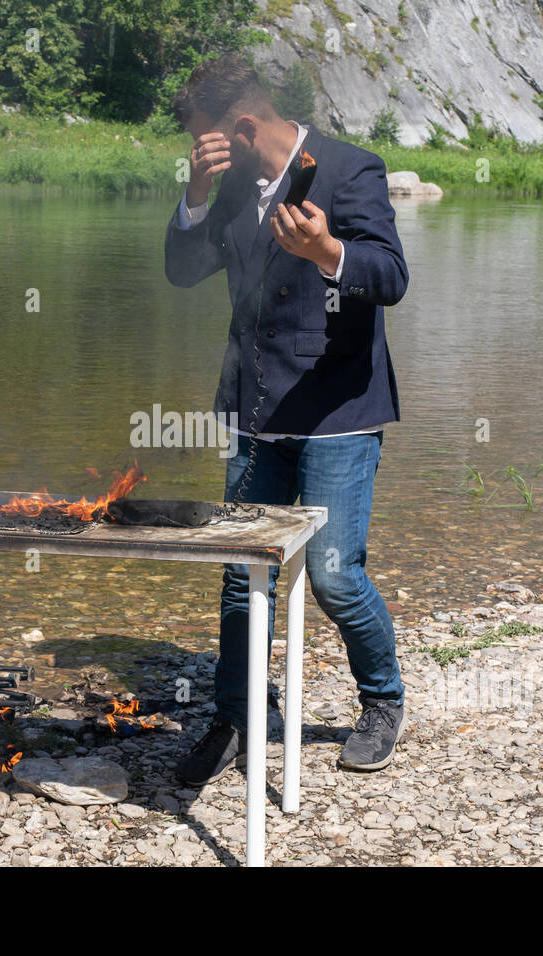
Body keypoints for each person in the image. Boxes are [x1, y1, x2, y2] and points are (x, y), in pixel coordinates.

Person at [163, 54, 410, 785]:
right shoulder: (229, 186)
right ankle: (238, 717)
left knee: (334, 575)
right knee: (244, 577)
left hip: (338, 413)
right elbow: (181, 272)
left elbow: (391, 276)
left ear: (241, 126)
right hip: (252, 412)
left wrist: (329, 251)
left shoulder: (347, 168)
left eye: (205, 142)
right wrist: (196, 189)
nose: (201, 151)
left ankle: (382, 701)